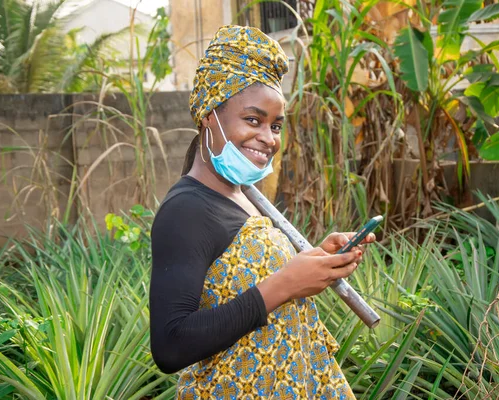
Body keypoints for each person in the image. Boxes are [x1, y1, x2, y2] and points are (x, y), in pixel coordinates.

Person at [149, 25, 375, 399]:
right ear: (209, 115)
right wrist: (285, 284)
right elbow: (171, 345)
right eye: (252, 120)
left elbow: (240, 279)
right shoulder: (185, 211)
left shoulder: (245, 195)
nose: (268, 138)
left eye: (275, 126)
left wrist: (318, 260)